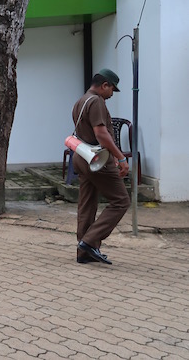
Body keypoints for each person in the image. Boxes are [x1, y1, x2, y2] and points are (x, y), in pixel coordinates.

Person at [71, 68, 130, 265]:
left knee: (87, 203)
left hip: (82, 156)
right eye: (112, 89)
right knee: (121, 201)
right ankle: (88, 242)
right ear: (105, 85)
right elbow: (101, 134)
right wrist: (120, 157)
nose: (112, 94)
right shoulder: (96, 101)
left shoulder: (81, 101)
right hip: (97, 159)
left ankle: (84, 251)